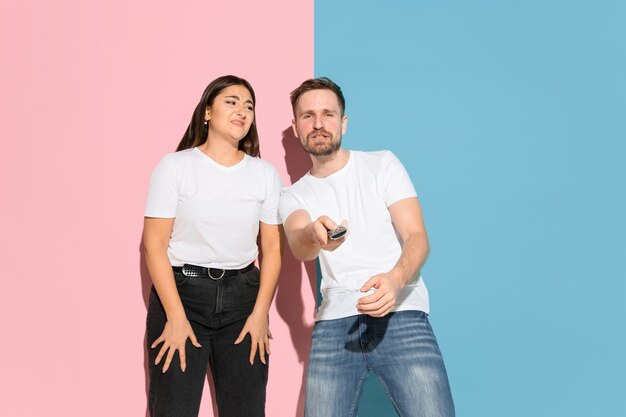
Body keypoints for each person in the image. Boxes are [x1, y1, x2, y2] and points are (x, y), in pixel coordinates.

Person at [279, 77, 455, 417]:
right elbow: (300, 243)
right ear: (296, 127)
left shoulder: (382, 164)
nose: (318, 124)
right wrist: (316, 235)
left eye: (328, 114)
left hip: (401, 315)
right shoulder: (293, 195)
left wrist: (395, 279)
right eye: (308, 116)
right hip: (334, 327)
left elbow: (417, 236)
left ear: (343, 122)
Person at [143, 75, 283, 417]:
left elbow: (273, 250)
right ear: (207, 112)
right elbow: (154, 246)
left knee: (247, 411)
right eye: (231, 102)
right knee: (172, 410)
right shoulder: (175, 167)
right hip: (182, 296)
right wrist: (175, 316)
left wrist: (260, 313)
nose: (242, 111)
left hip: (243, 300)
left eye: (249, 105)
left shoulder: (264, 174)